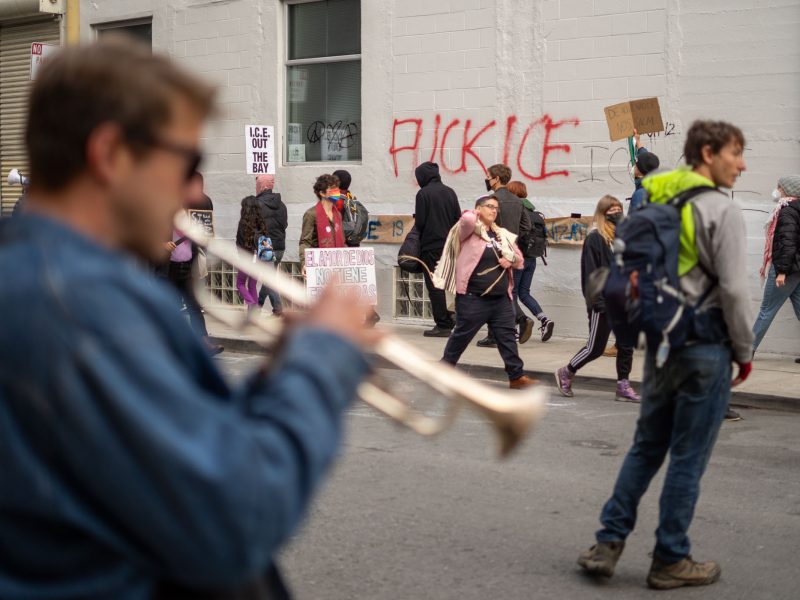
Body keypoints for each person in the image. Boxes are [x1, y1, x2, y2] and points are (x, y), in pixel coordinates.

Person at [0, 38, 377, 599]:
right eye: (187, 163)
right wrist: (320, 361)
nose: (193, 189)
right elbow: (234, 517)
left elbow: (179, 458)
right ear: (111, 154)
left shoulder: (49, 275)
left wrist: (278, 373)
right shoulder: (80, 310)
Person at [577, 120, 754, 590]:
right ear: (709, 152)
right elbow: (735, 289)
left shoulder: (652, 194)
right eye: (736, 153)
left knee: (646, 447)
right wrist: (743, 349)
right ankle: (671, 557)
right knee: (688, 457)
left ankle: (607, 544)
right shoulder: (719, 208)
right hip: (704, 345)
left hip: (660, 343)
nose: (742, 163)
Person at [438, 196, 536, 389]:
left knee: (507, 338)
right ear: (478, 209)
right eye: (489, 207)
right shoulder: (468, 231)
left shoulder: (501, 235)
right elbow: (466, 219)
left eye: (496, 208)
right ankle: (444, 370)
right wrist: (474, 213)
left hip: (500, 299)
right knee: (462, 335)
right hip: (474, 297)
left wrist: (510, 260)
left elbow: (520, 260)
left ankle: (516, 377)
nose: (494, 211)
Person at [554, 196, 640, 403]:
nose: (617, 213)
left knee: (626, 345)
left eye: (619, 209)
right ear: (602, 214)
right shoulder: (596, 239)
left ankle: (623, 385)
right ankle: (567, 371)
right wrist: (598, 302)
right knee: (595, 348)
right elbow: (591, 273)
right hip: (603, 302)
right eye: (612, 210)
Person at [477, 163, 533, 347]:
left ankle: (510, 325)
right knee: (505, 291)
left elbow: (482, 225)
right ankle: (505, 330)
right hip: (512, 250)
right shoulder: (518, 200)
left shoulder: (491, 200)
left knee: (493, 292)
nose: (486, 179)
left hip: (494, 252)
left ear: (497, 178)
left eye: (488, 175)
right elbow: (527, 226)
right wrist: (513, 238)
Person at [751, 174, 800, 360]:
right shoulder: (797, 208)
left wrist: (781, 272)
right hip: (797, 268)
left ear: (787, 190)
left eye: (779, 187)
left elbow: (787, 243)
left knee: (766, 310)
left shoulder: (786, 210)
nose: (777, 190)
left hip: (786, 269)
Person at [412, 161, 461, 337]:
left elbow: (421, 222)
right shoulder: (450, 192)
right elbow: (458, 218)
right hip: (450, 246)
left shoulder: (423, 194)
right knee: (451, 283)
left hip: (431, 245)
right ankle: (453, 317)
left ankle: (442, 324)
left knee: (435, 285)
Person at [506, 180, 555, 342]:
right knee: (524, 293)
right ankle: (544, 319)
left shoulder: (516, 211)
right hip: (532, 258)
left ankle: (514, 328)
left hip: (518, 259)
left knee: (511, 293)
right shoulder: (536, 213)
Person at [333, 168, 380, 327]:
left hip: (342, 246)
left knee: (341, 283)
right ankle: (369, 312)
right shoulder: (351, 198)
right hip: (355, 245)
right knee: (356, 281)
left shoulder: (337, 201)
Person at [254, 173, 288, 316]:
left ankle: (275, 309)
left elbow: (253, 227)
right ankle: (259, 307)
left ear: (261, 185)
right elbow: (284, 224)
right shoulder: (281, 204)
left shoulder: (257, 204)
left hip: (264, 245)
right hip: (280, 245)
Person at [299, 173, 346, 270]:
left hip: (338, 264)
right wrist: (304, 263)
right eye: (332, 189)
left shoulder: (338, 214)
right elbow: (305, 241)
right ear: (322, 193)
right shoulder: (311, 214)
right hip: (318, 264)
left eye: (337, 188)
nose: (336, 192)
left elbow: (342, 239)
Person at [235, 195, 268, 313]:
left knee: (240, 284)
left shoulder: (243, 224)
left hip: (245, 258)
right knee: (252, 286)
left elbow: (239, 243)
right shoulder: (262, 223)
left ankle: (252, 304)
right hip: (259, 259)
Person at [628, 128, 660, 212]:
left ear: (639, 171)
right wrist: (637, 141)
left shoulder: (641, 195)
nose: (634, 167)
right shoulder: (654, 185)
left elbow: (636, 222)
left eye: (636, 165)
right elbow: (646, 158)